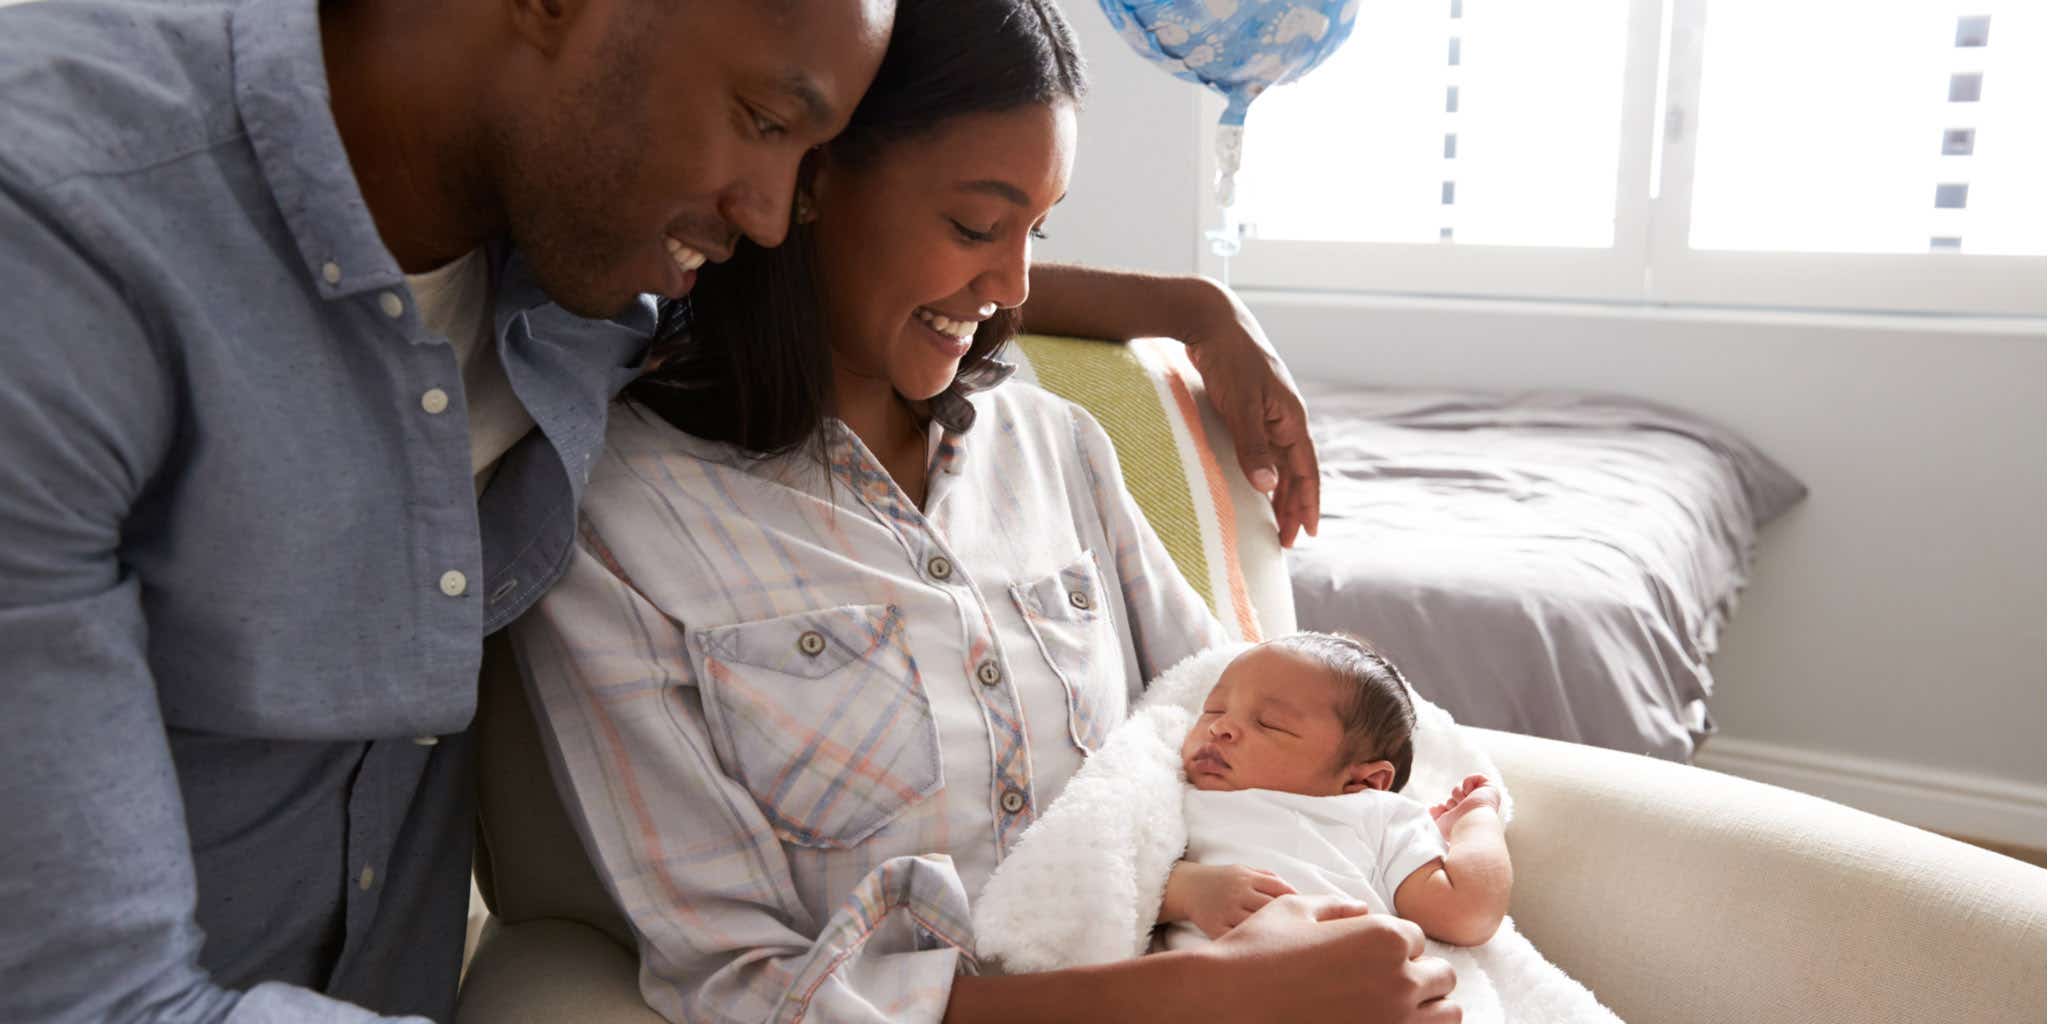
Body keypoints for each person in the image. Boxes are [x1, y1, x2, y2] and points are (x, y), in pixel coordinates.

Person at [0, 0, 1322, 1021]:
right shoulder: (65, 249)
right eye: (766, 119)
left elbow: (869, 264)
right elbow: (86, 996)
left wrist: (1188, 308)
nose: (767, 215)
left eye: (808, 153)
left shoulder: (592, 238)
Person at [510, 1, 1458, 1020]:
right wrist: (1204, 997)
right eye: (974, 225)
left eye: (1036, 230)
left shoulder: (1054, 448)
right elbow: (744, 982)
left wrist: (1424, 856)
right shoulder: (624, 518)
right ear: (813, 177)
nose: (1010, 286)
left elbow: (1238, 724)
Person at [1163, 633, 1513, 949]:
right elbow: (1121, 880)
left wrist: (1477, 819)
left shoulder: (1374, 814)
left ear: (1361, 782)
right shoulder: (1170, 795)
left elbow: (1467, 915)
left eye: (1270, 723)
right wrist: (1190, 890)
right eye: (1213, 710)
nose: (1220, 727)